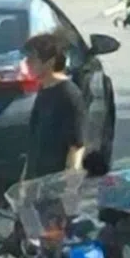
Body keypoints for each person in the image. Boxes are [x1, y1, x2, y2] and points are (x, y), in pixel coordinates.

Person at [24, 30, 88, 178]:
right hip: (36, 181)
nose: (27, 63)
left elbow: (76, 145)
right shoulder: (44, 89)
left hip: (56, 182)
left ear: (50, 62)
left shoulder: (69, 95)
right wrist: (24, 180)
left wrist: (69, 184)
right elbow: (34, 142)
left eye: (33, 58)